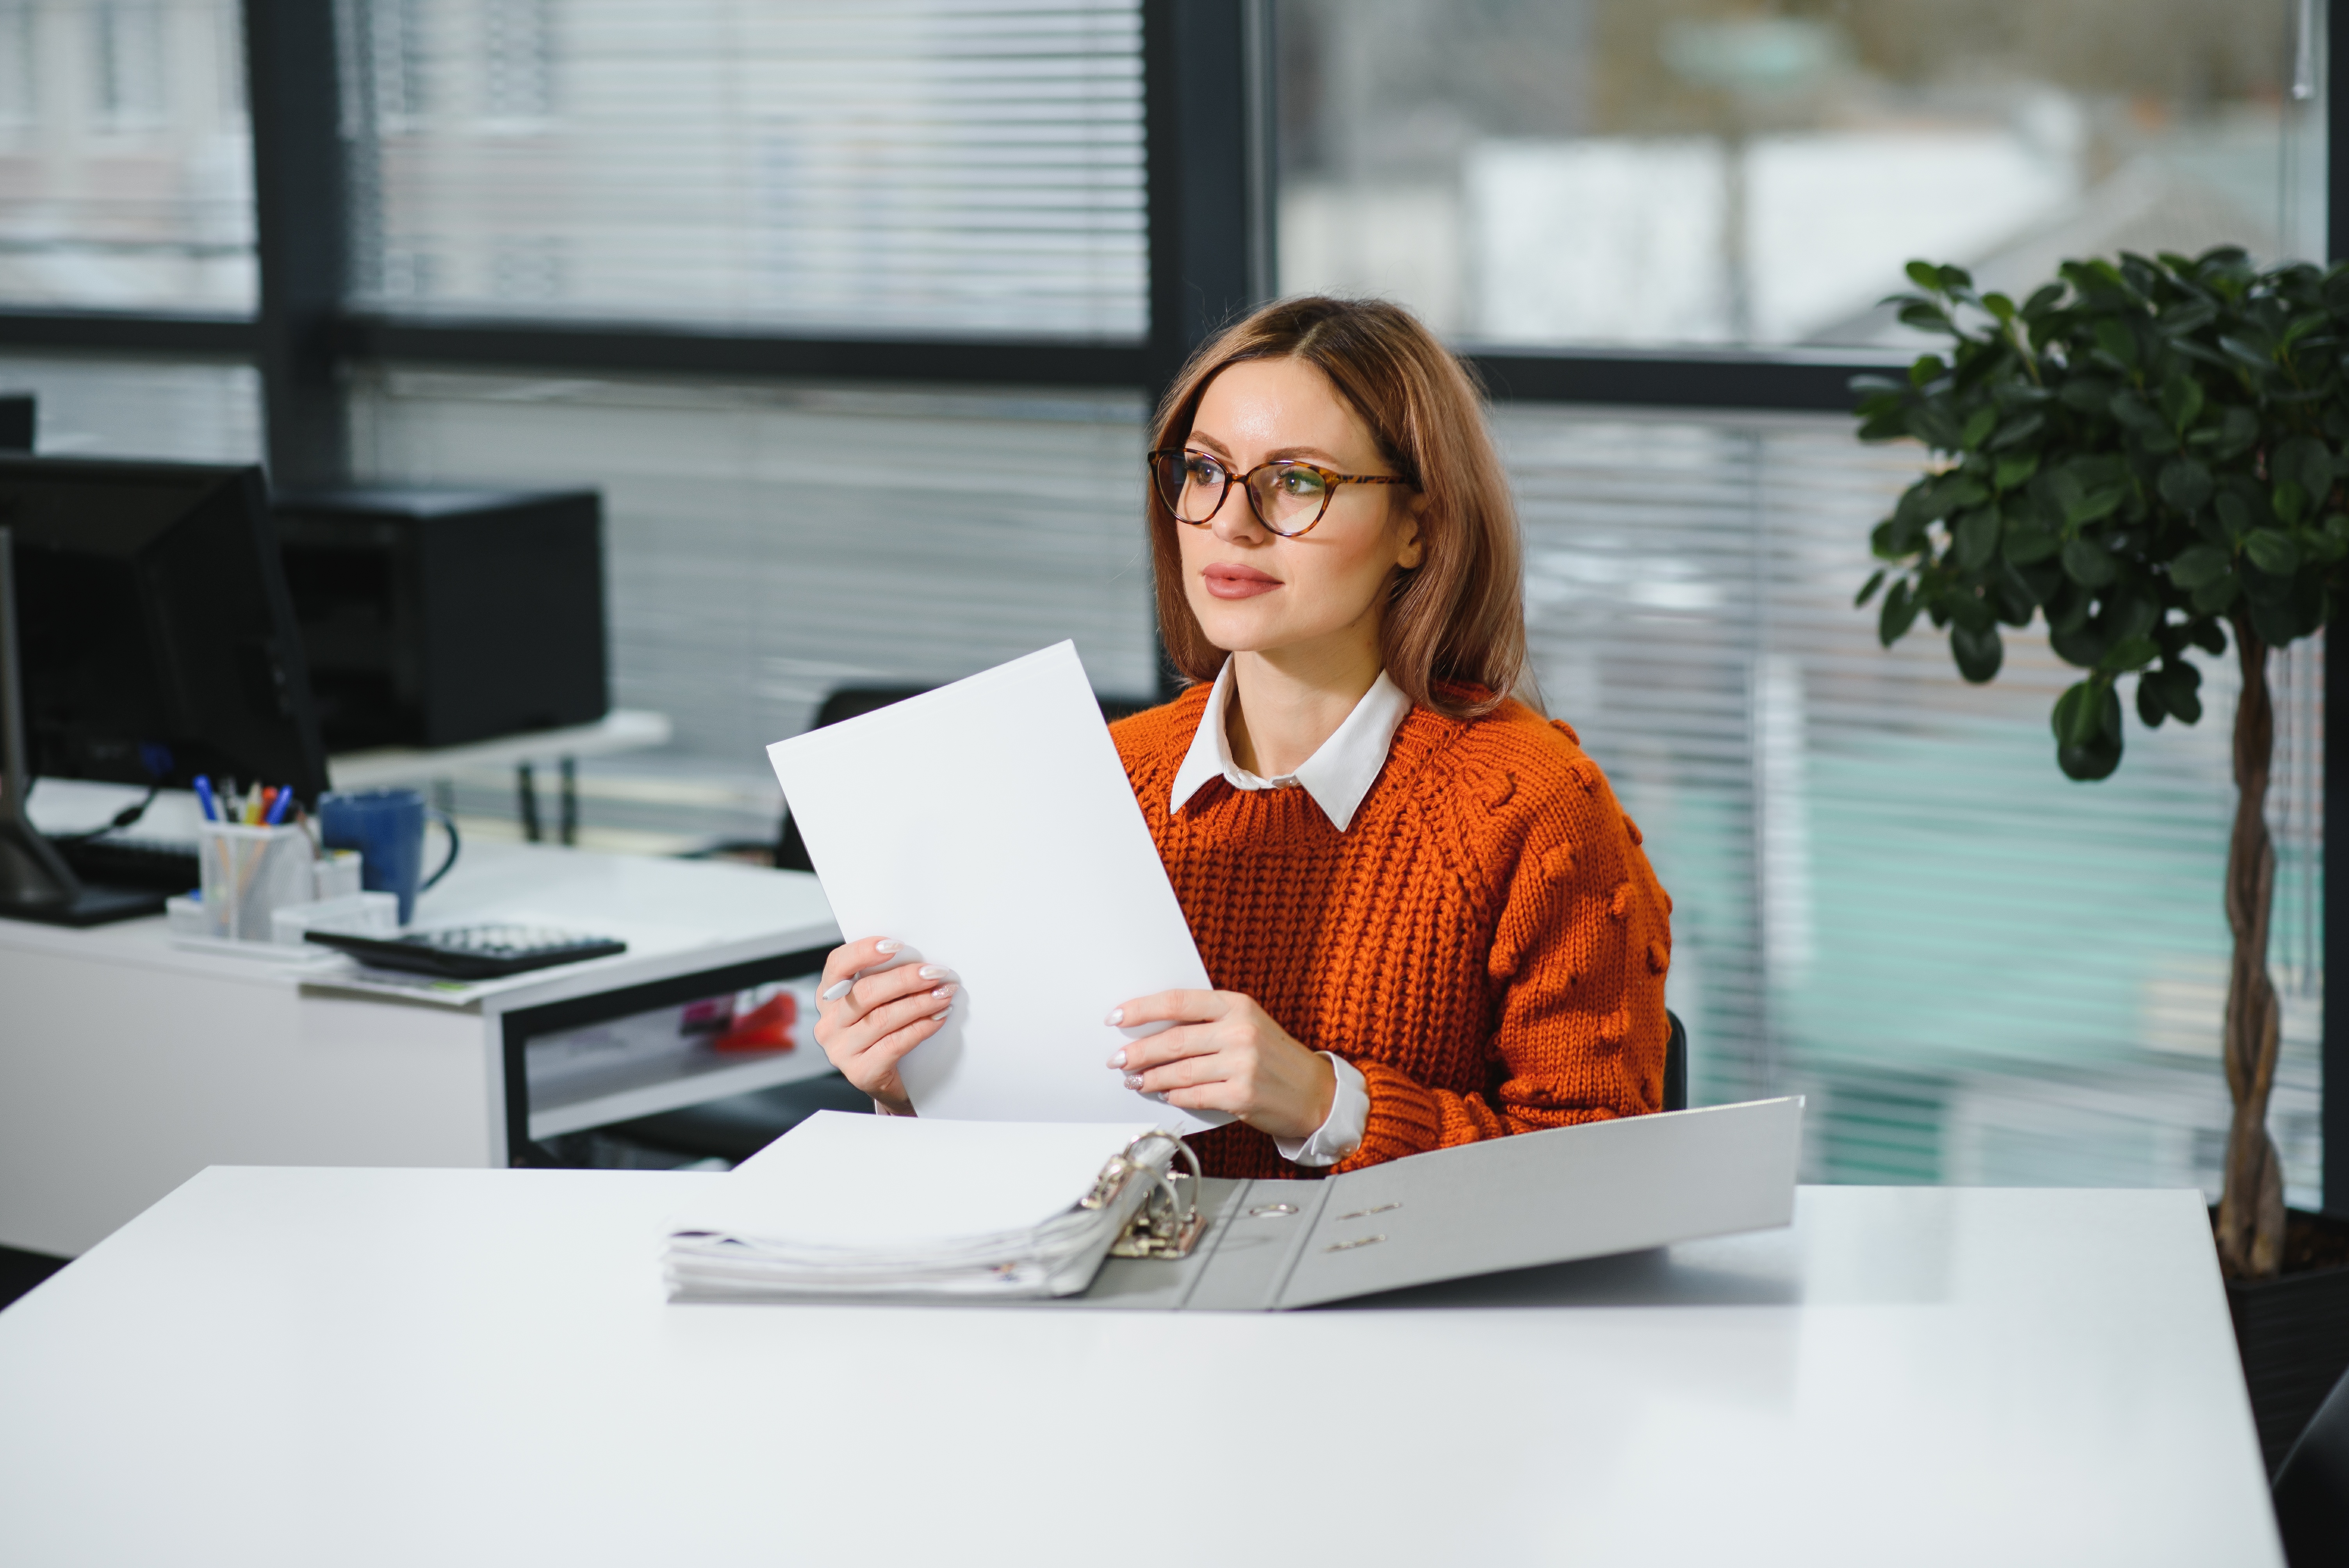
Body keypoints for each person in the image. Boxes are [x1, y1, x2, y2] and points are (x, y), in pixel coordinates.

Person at [813, 296, 1672, 1177]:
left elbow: (1604, 1176)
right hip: (1119, 1304)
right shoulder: (1100, 778)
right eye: (1204, 470)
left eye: (1297, 481)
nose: (1229, 520)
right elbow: (1027, 1163)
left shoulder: (1531, 804)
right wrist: (914, 1085)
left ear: (1417, 526)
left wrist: (1322, 1101)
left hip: (1397, 1314)